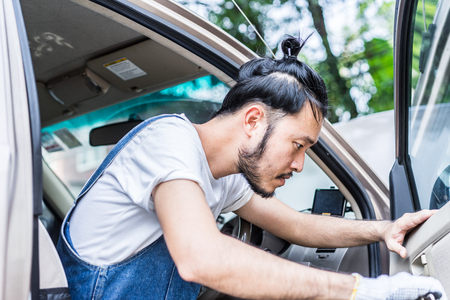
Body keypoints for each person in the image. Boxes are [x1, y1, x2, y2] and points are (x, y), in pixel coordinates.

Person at [57, 36, 447, 300]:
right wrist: (359, 290)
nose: (298, 164)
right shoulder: (167, 143)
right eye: (298, 145)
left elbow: (297, 226)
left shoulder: (223, 175)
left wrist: (383, 229)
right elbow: (201, 258)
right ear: (253, 120)